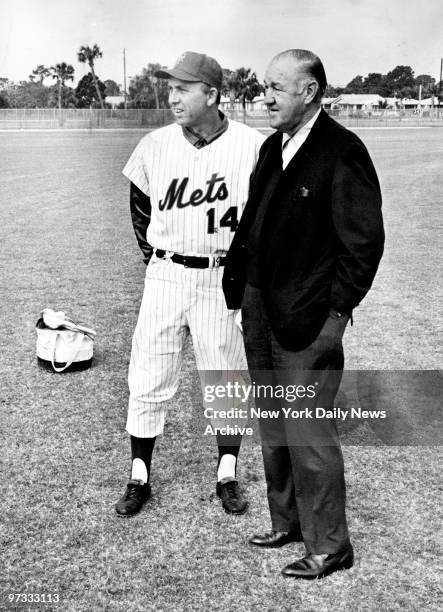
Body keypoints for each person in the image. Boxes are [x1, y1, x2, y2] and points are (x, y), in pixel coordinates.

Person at [223, 49, 384, 579]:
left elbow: (362, 246)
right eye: (264, 86)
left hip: (308, 319)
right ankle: (288, 521)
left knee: (308, 430)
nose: (264, 96)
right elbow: (252, 224)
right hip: (260, 309)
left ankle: (331, 546)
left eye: (276, 87)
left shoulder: (343, 151)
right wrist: (239, 291)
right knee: (274, 423)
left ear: (309, 92)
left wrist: (335, 314)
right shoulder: (274, 147)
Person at [115, 51, 265, 517]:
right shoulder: (155, 144)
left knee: (225, 377)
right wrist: (157, 261)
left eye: (183, 89)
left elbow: (263, 219)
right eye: (171, 87)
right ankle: (139, 475)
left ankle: (227, 473)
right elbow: (140, 209)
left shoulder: (254, 146)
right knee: (148, 374)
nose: (172, 96)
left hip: (222, 276)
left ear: (213, 95)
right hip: (166, 274)